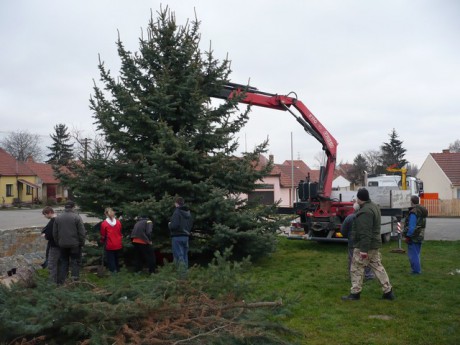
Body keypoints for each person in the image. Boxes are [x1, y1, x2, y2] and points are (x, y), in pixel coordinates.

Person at [342, 188, 394, 301]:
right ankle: (388, 291)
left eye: (357, 197)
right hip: (374, 244)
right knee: (378, 267)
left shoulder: (365, 212)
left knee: (356, 267)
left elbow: (365, 232)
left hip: (365, 245)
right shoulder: (373, 206)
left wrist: (363, 250)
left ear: (360, 198)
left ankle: (355, 293)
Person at [53, 200, 86, 284]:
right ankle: (74, 282)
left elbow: (55, 233)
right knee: (75, 262)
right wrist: (81, 243)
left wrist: (58, 243)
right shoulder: (77, 217)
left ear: (65, 207)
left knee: (63, 263)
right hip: (75, 244)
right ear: (73, 207)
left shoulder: (58, 218)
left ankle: (62, 282)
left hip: (62, 245)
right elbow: (82, 232)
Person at [340, 201, 375, 281]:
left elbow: (343, 231)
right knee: (366, 258)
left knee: (352, 259)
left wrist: (348, 236)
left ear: (353, 208)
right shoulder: (367, 216)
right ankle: (368, 275)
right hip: (364, 241)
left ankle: (353, 276)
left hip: (353, 242)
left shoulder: (349, 218)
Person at [403, 195, 428, 274]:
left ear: (411, 202)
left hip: (413, 236)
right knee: (417, 253)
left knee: (413, 255)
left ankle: (416, 271)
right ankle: (417, 269)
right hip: (420, 234)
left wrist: (408, 236)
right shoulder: (422, 210)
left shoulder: (414, 212)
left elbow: (412, 226)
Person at [168, 197, 193, 277]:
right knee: (185, 255)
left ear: (176, 203)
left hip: (177, 236)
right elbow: (190, 224)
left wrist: (169, 225)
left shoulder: (177, 212)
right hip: (186, 236)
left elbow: (174, 225)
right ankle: (185, 273)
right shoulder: (188, 213)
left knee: (178, 256)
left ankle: (181, 275)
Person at [100, 207, 123, 273]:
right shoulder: (118, 222)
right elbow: (120, 231)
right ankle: (118, 270)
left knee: (111, 258)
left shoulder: (104, 224)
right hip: (118, 243)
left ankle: (113, 271)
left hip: (109, 244)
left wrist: (102, 241)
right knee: (116, 257)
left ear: (105, 214)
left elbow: (103, 234)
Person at [41, 206, 60, 283]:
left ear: (49, 213)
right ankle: (60, 281)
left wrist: (45, 235)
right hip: (60, 245)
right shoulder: (59, 219)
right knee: (59, 264)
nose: (45, 216)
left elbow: (50, 234)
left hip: (54, 246)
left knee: (52, 264)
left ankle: (52, 283)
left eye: (45, 214)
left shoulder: (53, 221)